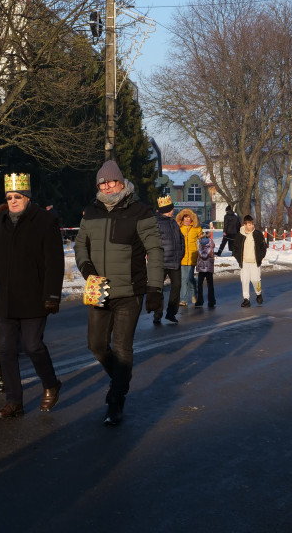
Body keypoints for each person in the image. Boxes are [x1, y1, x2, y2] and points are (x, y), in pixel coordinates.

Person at [74, 160, 164, 426]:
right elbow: (80, 246)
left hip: (130, 292)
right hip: (98, 290)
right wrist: (87, 269)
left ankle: (116, 400)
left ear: (122, 183)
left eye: (112, 181)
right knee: (96, 345)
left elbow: (155, 252)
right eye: (102, 182)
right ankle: (121, 378)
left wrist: (155, 288)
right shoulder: (91, 212)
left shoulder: (140, 211)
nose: (107, 186)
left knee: (122, 347)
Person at [0, 173, 64, 419]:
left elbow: (54, 262)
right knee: (5, 349)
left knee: (33, 346)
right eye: (9, 197)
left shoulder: (45, 221)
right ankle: (14, 401)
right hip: (5, 297)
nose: (13, 201)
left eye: (18, 196)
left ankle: (51, 383)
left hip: (34, 296)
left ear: (27, 197)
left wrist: (52, 295)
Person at [153, 196, 184, 324]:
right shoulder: (156, 223)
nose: (173, 211)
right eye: (171, 209)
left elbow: (181, 240)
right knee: (158, 288)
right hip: (161, 262)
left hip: (175, 261)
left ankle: (171, 313)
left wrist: (181, 253)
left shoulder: (174, 222)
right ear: (166, 210)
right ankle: (157, 314)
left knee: (176, 286)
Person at [233, 215, 267, 307]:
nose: (251, 226)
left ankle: (258, 293)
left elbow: (263, 247)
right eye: (249, 224)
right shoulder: (240, 235)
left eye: (252, 224)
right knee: (245, 280)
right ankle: (246, 299)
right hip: (244, 262)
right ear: (244, 225)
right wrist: (238, 258)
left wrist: (260, 256)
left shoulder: (257, 234)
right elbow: (235, 248)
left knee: (256, 280)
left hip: (255, 262)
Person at [176, 209, 201, 307]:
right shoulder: (179, 228)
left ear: (192, 218)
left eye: (188, 217)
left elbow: (202, 240)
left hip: (192, 256)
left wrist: (206, 243)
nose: (187, 219)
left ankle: (194, 293)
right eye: (185, 217)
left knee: (190, 277)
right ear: (182, 218)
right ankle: (183, 299)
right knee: (183, 278)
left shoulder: (196, 228)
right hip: (182, 256)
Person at [195, 229, 217, 308]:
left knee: (209, 285)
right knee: (200, 285)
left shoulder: (209, 245)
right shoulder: (202, 244)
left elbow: (204, 255)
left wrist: (199, 250)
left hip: (208, 268)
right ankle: (200, 300)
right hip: (202, 268)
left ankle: (211, 301)